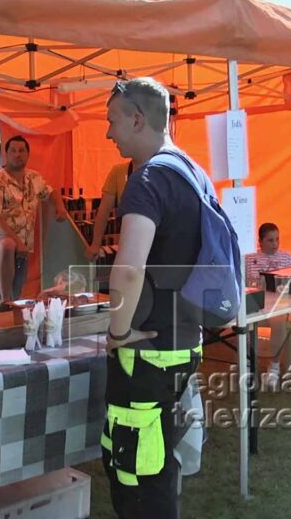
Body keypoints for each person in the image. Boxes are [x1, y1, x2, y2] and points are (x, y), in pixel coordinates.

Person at [101, 78, 206, 519]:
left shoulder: (146, 180)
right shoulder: (192, 172)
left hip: (148, 351)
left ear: (138, 120)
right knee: (159, 457)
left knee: (138, 472)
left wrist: (117, 332)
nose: (108, 132)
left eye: (112, 120)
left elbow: (128, 269)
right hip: (184, 341)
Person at [0, 135, 68, 305]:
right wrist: (17, 242)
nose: (17, 154)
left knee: (16, 293)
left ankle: (6, 306)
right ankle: (5, 301)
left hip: (22, 247)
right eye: (13, 150)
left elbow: (51, 192)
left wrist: (60, 207)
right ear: (6, 154)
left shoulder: (34, 178)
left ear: (27, 154)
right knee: (7, 244)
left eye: (21, 151)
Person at [246, 222, 291, 387]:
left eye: (277, 239)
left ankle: (274, 367)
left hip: (278, 306)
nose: (275, 244)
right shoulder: (249, 259)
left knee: (278, 320)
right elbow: (242, 284)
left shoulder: (288, 258)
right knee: (245, 322)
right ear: (260, 241)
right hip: (255, 305)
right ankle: (248, 364)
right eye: (270, 240)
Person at [85, 159, 134, 261]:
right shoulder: (118, 171)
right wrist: (95, 244)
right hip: (128, 245)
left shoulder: (162, 171)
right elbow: (103, 211)